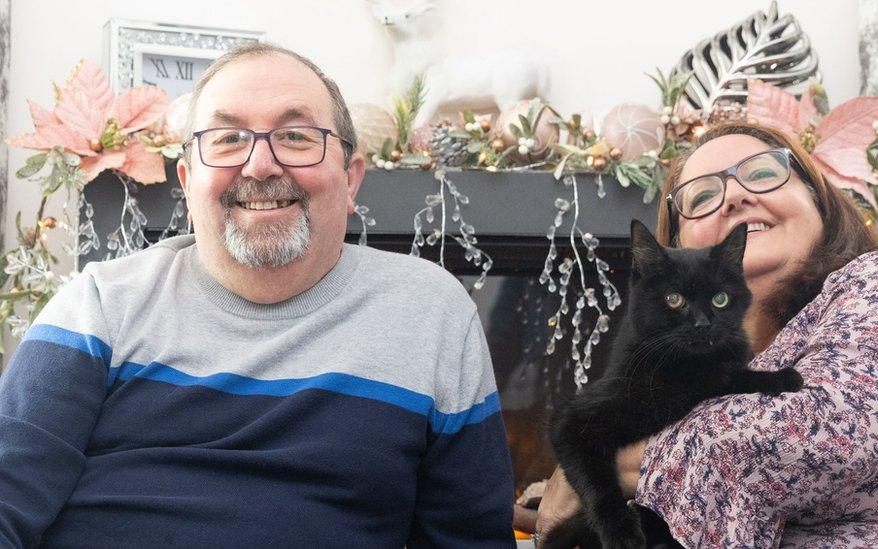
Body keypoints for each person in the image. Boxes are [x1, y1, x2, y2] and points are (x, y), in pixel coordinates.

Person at [0, 42, 515, 547]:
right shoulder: (99, 306)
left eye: (295, 136)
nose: (260, 165)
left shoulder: (429, 314)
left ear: (351, 178)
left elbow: (471, 537)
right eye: (227, 139)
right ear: (187, 179)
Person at [534, 123, 878, 547]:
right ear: (675, 247)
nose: (735, 196)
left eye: (763, 173)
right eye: (703, 196)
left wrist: (606, 464)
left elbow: (829, 435)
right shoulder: (708, 369)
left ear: (819, 200)